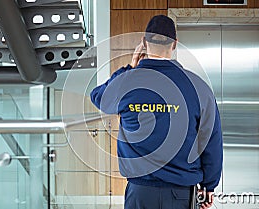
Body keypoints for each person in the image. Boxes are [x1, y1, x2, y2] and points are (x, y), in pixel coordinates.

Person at [90, 15, 222, 209]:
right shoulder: (198, 87)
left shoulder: (127, 83)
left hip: (139, 193)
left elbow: (98, 97)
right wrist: (209, 185)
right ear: (175, 44)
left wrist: (130, 68)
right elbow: (211, 138)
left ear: (144, 43)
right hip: (182, 193)